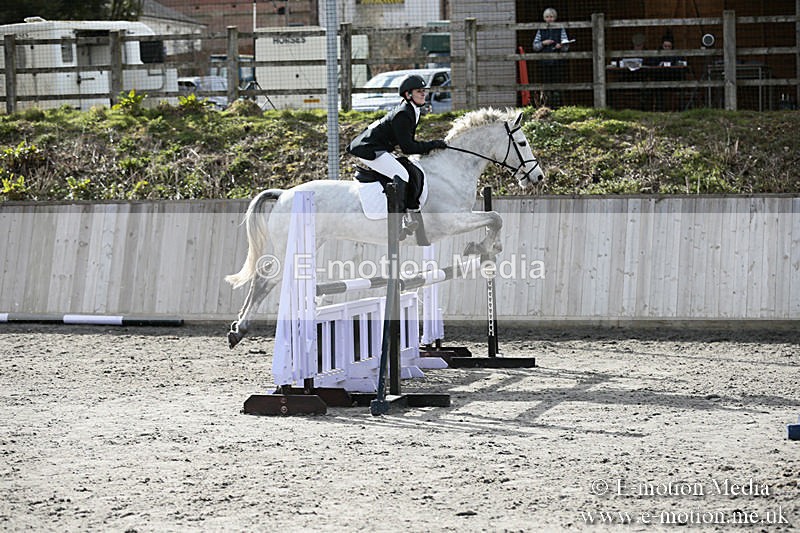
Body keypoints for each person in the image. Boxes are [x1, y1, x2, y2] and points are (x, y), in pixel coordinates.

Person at [346, 74, 447, 234]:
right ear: (408, 95)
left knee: (407, 169)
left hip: (378, 147)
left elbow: (407, 143)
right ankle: (398, 224)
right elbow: (408, 147)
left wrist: (430, 145)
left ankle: (410, 212)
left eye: (424, 91)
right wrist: (432, 145)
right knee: (402, 174)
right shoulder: (404, 113)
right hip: (368, 148)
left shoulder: (412, 111)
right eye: (419, 91)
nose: (423, 94)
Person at [532, 7, 571, 107]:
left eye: (551, 17)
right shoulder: (541, 30)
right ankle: (546, 106)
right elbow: (535, 46)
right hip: (544, 62)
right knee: (546, 85)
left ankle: (558, 106)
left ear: (555, 18)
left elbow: (566, 46)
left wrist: (561, 45)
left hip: (557, 61)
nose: (549, 19)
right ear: (544, 18)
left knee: (557, 85)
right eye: (547, 17)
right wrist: (543, 43)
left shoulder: (560, 28)